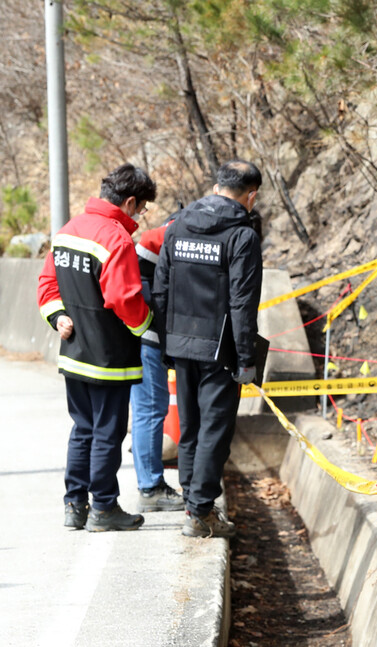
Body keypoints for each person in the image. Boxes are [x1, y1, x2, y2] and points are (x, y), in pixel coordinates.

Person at [37, 163, 157, 531]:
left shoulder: (68, 231)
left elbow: (47, 285)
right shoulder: (116, 238)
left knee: (83, 429)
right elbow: (125, 299)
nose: (140, 216)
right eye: (141, 209)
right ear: (130, 201)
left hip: (74, 354)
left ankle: (75, 505)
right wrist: (148, 327)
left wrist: (58, 318)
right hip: (109, 357)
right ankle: (104, 507)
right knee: (107, 432)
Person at [154, 160, 263, 538]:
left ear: (216, 187)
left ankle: (194, 503)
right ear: (251, 196)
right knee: (215, 429)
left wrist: (165, 340)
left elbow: (161, 288)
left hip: (180, 342)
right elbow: (242, 303)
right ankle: (200, 512)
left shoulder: (178, 225)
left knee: (191, 426)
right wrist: (246, 358)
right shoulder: (242, 236)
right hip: (219, 348)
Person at [130, 218, 183, 512]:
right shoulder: (161, 238)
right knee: (150, 409)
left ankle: (150, 483)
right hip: (148, 336)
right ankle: (150, 486)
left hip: (148, 333)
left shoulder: (171, 232)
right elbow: (134, 281)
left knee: (148, 409)